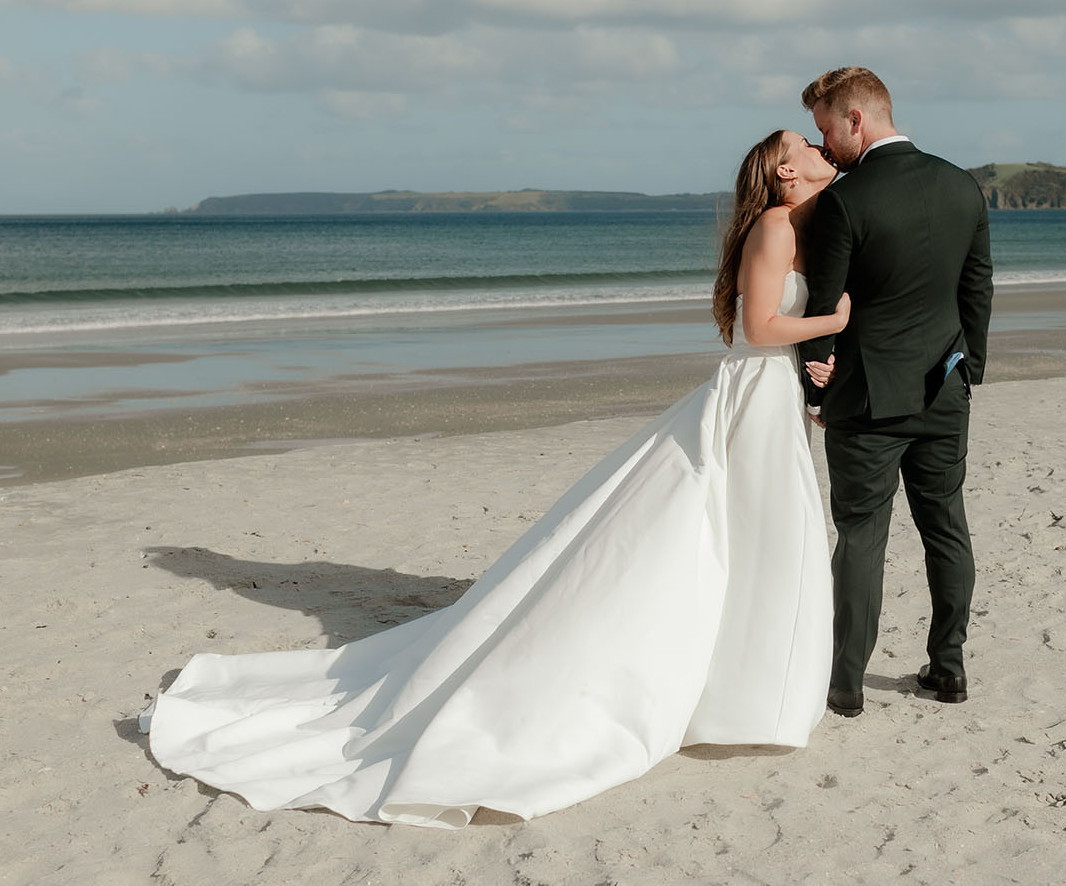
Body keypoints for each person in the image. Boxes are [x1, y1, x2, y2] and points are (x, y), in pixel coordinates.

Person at [140, 130, 849, 828]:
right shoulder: (773, 227)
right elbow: (756, 329)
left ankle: (747, 692)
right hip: (751, 400)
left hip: (772, 397)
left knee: (763, 540)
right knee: (745, 535)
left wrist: (819, 358)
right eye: (805, 144)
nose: (820, 148)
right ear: (785, 172)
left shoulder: (800, 227)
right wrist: (834, 318)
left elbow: (777, 333)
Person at [795, 66, 994, 719]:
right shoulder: (961, 185)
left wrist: (813, 386)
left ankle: (846, 682)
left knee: (861, 534)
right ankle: (950, 667)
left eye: (826, 128)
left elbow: (823, 308)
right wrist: (971, 369)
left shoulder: (847, 201)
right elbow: (976, 290)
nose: (823, 146)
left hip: (868, 400)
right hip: (945, 389)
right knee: (946, 527)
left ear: (857, 119)